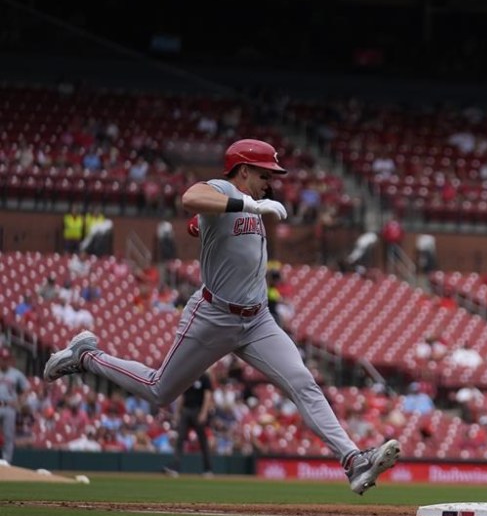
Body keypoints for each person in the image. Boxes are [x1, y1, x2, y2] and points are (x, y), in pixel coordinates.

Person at [43, 138, 400, 494]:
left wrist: (230, 214)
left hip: (257, 320)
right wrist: (241, 203)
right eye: (265, 173)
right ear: (244, 170)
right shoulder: (225, 190)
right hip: (214, 315)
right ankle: (87, 356)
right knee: (159, 390)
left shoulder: (249, 205)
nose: (269, 182)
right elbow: (190, 199)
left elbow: (205, 222)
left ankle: (353, 460)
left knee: (302, 382)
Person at [164, 371, 215, 477]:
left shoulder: (204, 377)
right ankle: (175, 468)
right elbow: (183, 395)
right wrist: (177, 412)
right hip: (186, 410)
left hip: (198, 410)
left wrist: (204, 412)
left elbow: (207, 395)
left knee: (203, 441)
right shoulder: (189, 375)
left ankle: (208, 469)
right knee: (180, 438)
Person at [0, 347, 29, 464]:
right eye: (2, 358)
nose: (4, 361)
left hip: (9, 407)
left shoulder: (16, 374)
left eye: (6, 359)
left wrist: (19, 402)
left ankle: (6, 461)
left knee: (8, 436)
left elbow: (26, 389)